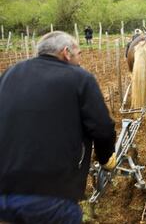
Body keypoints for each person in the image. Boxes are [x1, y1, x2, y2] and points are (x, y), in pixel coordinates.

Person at [0, 31, 116, 223]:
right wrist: (105, 158)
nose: (80, 60)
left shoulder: (9, 75)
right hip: (51, 196)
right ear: (66, 53)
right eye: (79, 54)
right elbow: (102, 128)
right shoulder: (79, 77)